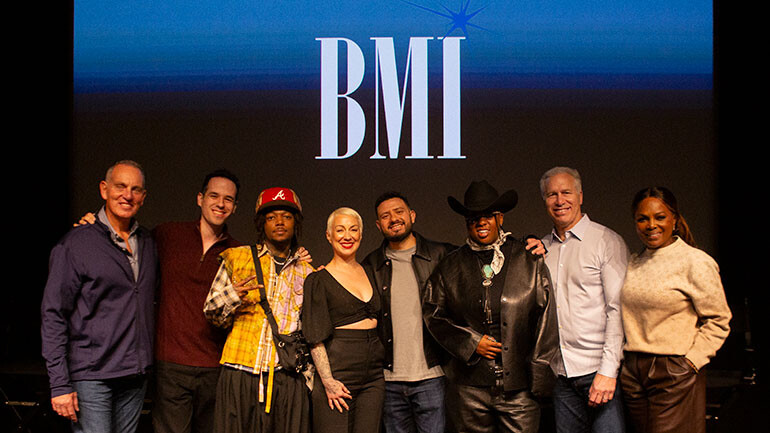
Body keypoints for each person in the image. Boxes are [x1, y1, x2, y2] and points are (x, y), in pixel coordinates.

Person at [423, 180, 559, 433]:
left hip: (520, 389)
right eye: (473, 217)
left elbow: (547, 319)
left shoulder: (527, 259)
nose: (480, 222)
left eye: (487, 215)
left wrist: (538, 376)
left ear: (500, 218)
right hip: (468, 390)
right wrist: (471, 343)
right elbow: (433, 315)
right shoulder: (450, 267)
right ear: (466, 222)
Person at [41, 160, 158, 433]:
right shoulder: (77, 244)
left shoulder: (149, 243)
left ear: (143, 197)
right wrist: (59, 383)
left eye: (135, 189)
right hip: (92, 377)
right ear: (104, 189)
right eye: (120, 186)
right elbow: (53, 314)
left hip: (134, 376)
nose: (127, 195)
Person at [620, 186, 731, 433]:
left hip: (672, 369)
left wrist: (691, 362)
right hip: (633, 371)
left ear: (674, 219)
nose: (651, 225)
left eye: (659, 217)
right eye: (642, 218)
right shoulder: (634, 262)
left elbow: (719, 319)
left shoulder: (695, 261)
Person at [204, 187, 315, 433]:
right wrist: (234, 295)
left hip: (285, 376)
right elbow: (211, 312)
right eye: (271, 217)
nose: (279, 222)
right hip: (240, 370)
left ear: (295, 223)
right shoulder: (237, 258)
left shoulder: (307, 271)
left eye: (286, 217)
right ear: (261, 223)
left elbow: (310, 329)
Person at [151, 169, 242, 433]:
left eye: (228, 199)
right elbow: (126, 242)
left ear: (235, 207)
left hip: (214, 367)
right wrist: (93, 224)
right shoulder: (167, 235)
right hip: (171, 364)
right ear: (200, 198)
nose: (220, 203)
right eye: (214, 195)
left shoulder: (239, 253)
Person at [538, 167, 627, 432]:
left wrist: (608, 372)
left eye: (566, 192)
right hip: (562, 375)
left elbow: (617, 309)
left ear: (580, 196)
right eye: (551, 194)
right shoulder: (543, 249)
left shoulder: (606, 241)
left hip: (599, 372)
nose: (559, 200)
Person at [361, 192, 456, 433]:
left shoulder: (442, 255)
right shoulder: (370, 265)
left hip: (432, 377)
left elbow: (482, 256)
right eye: (385, 216)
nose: (393, 218)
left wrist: (528, 242)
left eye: (399, 211)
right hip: (389, 379)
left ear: (412, 215)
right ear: (378, 225)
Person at [302, 207, 385, 433]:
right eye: (340, 230)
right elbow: (314, 337)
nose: (347, 236)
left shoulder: (371, 271)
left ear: (361, 234)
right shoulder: (318, 279)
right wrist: (328, 381)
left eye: (353, 229)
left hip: (374, 376)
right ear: (329, 236)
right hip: (338, 372)